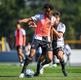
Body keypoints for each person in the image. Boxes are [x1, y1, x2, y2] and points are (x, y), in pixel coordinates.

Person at [18, 3, 56, 78]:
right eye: (46, 11)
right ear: (44, 10)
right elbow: (29, 19)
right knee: (31, 55)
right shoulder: (39, 16)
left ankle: (41, 65)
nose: (47, 12)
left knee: (50, 59)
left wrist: (51, 38)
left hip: (47, 40)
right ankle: (22, 72)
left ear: (51, 11)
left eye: (48, 11)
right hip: (38, 38)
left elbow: (51, 29)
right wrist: (22, 20)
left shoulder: (53, 19)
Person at [39, 11, 68, 77]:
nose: (55, 19)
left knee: (60, 56)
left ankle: (63, 69)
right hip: (50, 44)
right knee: (49, 59)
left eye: (57, 18)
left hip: (59, 44)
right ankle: (42, 65)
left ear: (59, 18)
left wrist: (52, 28)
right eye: (54, 18)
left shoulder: (62, 25)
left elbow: (59, 35)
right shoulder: (49, 25)